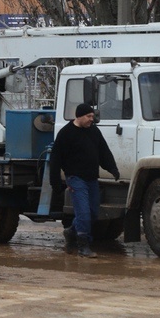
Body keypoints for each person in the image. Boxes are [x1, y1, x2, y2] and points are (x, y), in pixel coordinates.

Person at [49, 102, 120, 258]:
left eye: (92, 116)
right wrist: (55, 184)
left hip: (92, 179)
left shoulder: (94, 132)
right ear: (79, 116)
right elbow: (55, 160)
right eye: (88, 116)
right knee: (83, 213)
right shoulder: (66, 133)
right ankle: (83, 246)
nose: (91, 119)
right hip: (75, 178)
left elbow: (104, 152)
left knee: (93, 213)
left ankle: (71, 231)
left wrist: (113, 169)